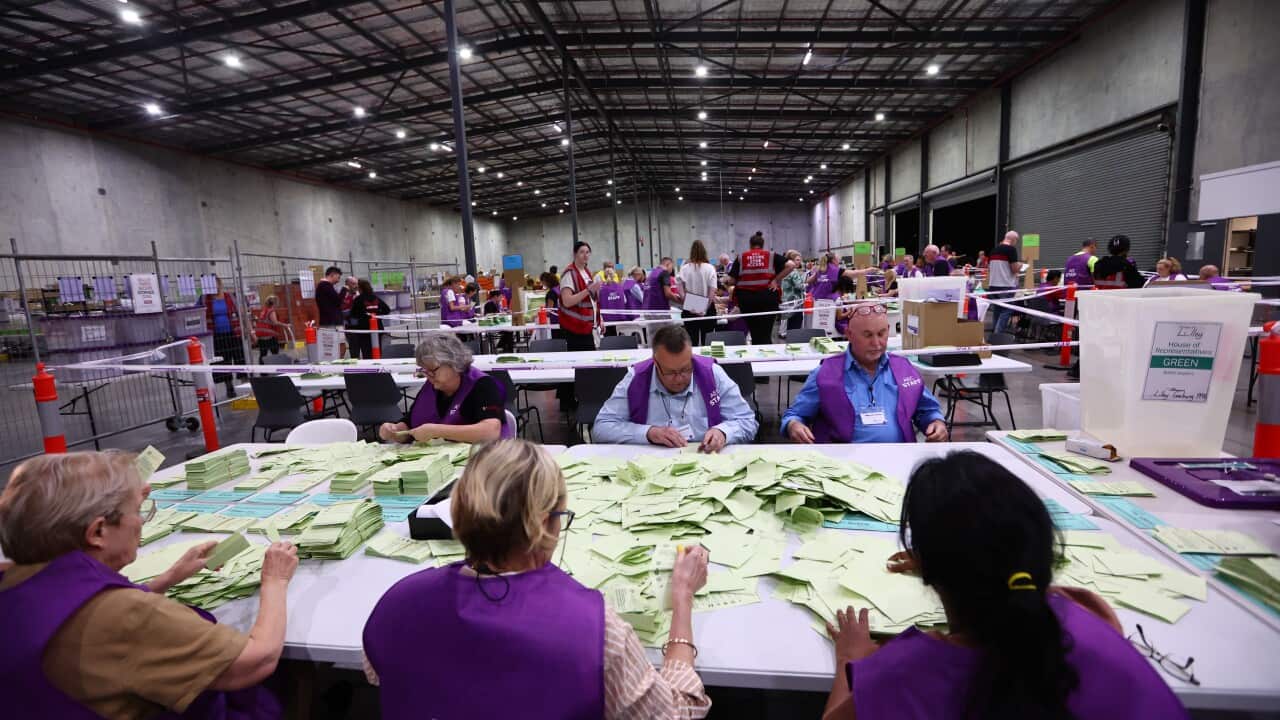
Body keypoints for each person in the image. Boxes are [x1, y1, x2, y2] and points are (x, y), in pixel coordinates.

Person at [821, 451, 1188, 720]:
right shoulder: (1087, 614)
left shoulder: (907, 674)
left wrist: (850, 656)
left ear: (937, 572)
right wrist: (946, 562)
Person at [363, 439, 712, 719]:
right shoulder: (595, 632)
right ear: (544, 523)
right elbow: (677, 711)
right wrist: (681, 598)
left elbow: (380, 675)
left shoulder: (398, 604)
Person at [0, 450, 297, 719]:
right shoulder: (127, 614)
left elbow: (75, 606)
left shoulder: (12, 579)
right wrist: (275, 579)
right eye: (137, 512)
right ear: (98, 531)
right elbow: (256, 661)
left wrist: (167, 579)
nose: (141, 522)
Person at [782, 303, 947, 444]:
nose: (876, 343)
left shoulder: (904, 369)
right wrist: (793, 425)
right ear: (849, 335)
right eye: (867, 335)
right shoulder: (825, 373)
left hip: (900, 458)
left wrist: (936, 422)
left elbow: (927, 409)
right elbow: (795, 414)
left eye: (881, 334)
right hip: (842, 466)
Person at [593, 324, 758, 451]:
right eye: (671, 373)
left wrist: (724, 432)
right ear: (655, 364)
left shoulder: (712, 374)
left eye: (686, 369)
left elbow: (747, 421)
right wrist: (648, 433)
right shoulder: (636, 379)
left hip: (706, 462)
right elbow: (601, 427)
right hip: (652, 464)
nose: (680, 379)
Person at [379, 333, 510, 444]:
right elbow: (410, 422)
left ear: (454, 363)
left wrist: (436, 431)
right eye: (425, 370)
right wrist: (395, 429)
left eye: (433, 370)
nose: (428, 376)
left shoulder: (482, 385)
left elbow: (490, 432)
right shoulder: (431, 387)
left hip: (482, 462)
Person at [729, 231, 794, 346]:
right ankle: (766, 359)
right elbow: (791, 265)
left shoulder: (741, 257)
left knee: (754, 333)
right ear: (763, 245)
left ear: (750, 245)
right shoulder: (771, 255)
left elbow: (732, 281)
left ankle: (757, 356)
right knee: (766, 333)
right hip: (768, 299)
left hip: (747, 301)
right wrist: (775, 280)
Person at [202, 277, 245, 397]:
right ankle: (229, 387)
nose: (212, 287)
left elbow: (241, 312)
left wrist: (249, 330)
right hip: (216, 336)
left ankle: (244, 386)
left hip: (234, 333)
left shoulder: (229, 296)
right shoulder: (204, 299)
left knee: (240, 358)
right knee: (223, 361)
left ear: (219, 284)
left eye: (214, 284)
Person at [559, 241, 602, 352]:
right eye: (582, 252)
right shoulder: (569, 274)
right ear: (575, 254)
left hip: (587, 327)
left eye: (587, 252)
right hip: (575, 328)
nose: (585, 255)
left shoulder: (586, 272)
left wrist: (599, 319)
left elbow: (592, 301)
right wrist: (588, 290)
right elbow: (567, 301)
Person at [678, 241, 719, 347]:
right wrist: (703, 309)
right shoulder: (710, 268)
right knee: (708, 343)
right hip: (707, 310)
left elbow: (681, 292)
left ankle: (692, 363)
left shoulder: (684, 268)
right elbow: (712, 293)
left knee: (692, 343)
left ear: (691, 252)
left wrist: (692, 305)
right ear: (705, 252)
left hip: (689, 309)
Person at [986, 232, 1023, 335]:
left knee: (997, 311)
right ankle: (998, 335)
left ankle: (994, 336)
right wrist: (1020, 265)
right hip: (1006, 285)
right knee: (1006, 311)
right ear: (1014, 239)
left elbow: (989, 268)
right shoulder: (1011, 250)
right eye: (1016, 241)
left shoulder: (993, 250)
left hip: (993, 285)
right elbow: (1014, 269)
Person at [348, 279, 391, 360]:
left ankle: (370, 370)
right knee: (377, 351)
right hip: (378, 328)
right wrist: (377, 315)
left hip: (364, 330)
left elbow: (353, 314)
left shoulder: (358, 299)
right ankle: (378, 369)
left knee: (367, 353)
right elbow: (387, 309)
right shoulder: (376, 298)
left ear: (360, 289)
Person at [253, 295, 289, 363]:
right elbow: (275, 322)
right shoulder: (271, 311)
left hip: (261, 335)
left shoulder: (264, 310)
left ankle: (263, 372)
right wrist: (285, 325)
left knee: (263, 353)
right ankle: (276, 368)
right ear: (274, 303)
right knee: (275, 352)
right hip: (269, 335)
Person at [781, 250, 808, 334]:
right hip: (795, 302)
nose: (799, 262)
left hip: (786, 301)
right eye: (797, 260)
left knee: (789, 326)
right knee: (795, 326)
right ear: (791, 260)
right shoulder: (794, 272)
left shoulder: (784, 270)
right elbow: (799, 286)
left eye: (800, 260)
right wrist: (807, 284)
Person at [540, 271, 561, 336]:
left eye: (542, 282)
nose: (542, 284)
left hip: (554, 321)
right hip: (561, 319)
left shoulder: (551, 293)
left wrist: (539, 314)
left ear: (546, 281)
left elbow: (549, 310)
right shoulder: (559, 288)